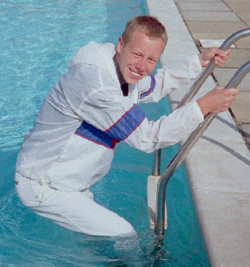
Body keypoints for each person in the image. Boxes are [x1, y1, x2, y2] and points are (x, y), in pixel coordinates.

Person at [15, 16, 239, 237]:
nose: (142, 66)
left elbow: (154, 84)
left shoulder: (118, 68)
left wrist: (197, 61)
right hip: (44, 185)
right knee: (124, 234)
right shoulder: (96, 85)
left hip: (68, 180)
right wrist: (203, 106)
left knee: (96, 242)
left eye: (152, 59)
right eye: (137, 54)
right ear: (120, 44)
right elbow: (148, 137)